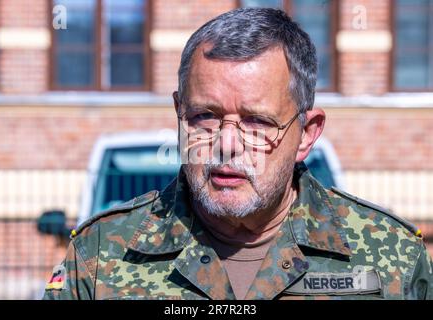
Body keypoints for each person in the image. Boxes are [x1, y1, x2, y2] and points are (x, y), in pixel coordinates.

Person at [43, 7, 433, 300]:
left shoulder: (388, 257)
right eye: (204, 117)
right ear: (179, 113)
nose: (227, 143)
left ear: (306, 134)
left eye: (257, 122)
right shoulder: (100, 256)